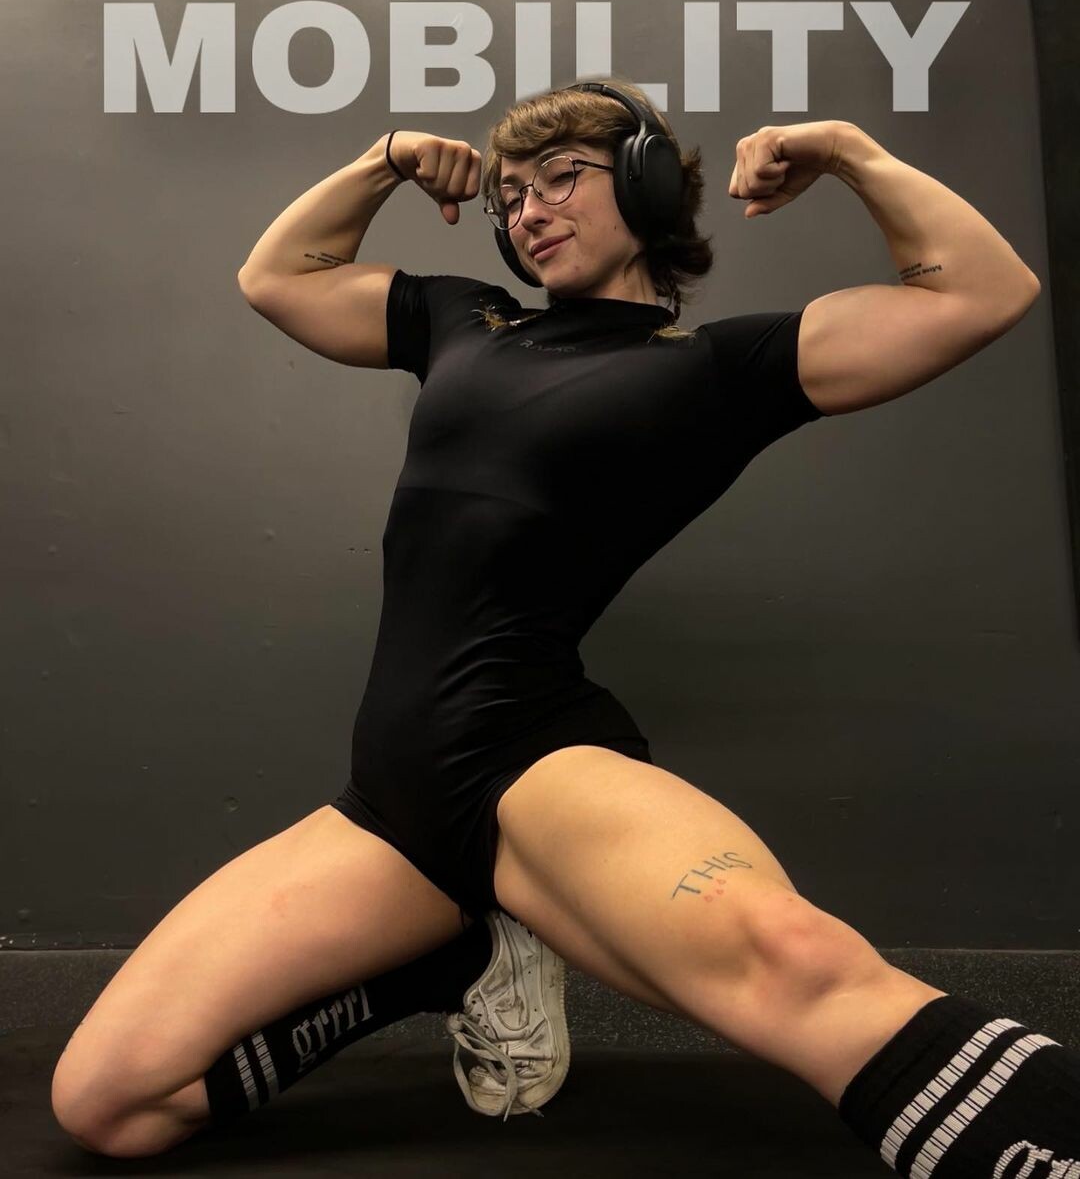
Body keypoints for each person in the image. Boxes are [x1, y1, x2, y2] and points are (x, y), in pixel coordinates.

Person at [52, 79, 1075, 1179]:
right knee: (110, 1102)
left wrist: (848, 152)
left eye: (559, 179)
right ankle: (445, 957)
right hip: (391, 801)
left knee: (791, 960)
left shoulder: (716, 368)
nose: (529, 210)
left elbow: (981, 290)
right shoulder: (462, 318)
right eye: (510, 196)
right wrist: (385, 160)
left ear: (645, 183)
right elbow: (278, 277)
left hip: (529, 763)